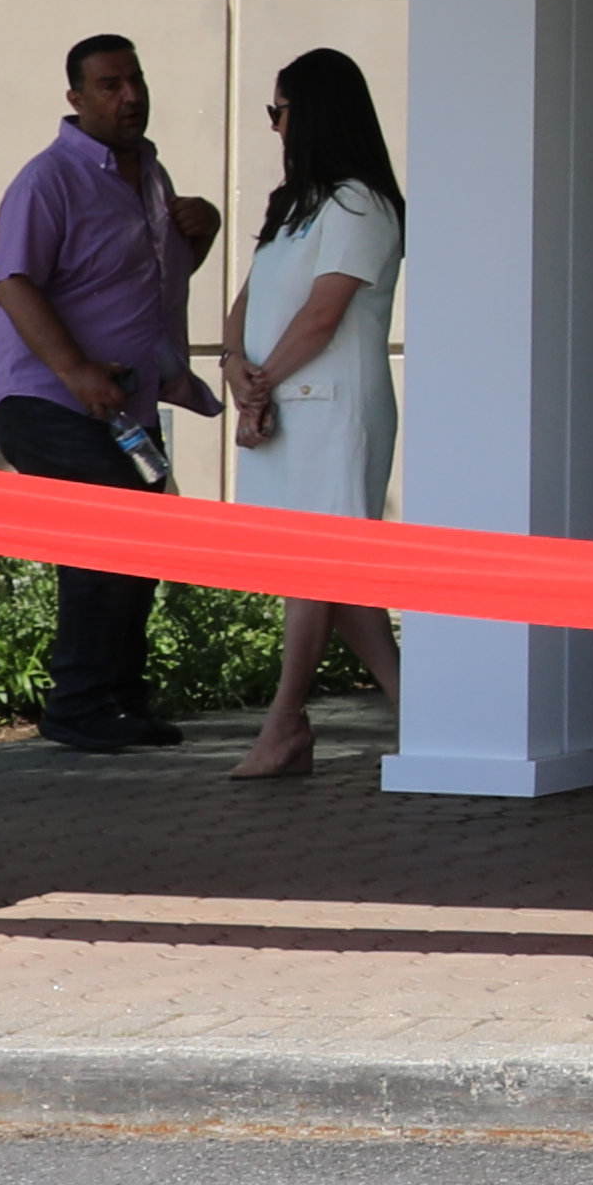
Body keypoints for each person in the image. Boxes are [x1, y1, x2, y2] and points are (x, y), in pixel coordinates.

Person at [0, 32, 221, 753]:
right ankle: (78, 704)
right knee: (104, 541)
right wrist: (75, 370)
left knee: (142, 542)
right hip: (47, 400)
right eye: (111, 85)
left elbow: (147, 282)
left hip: (123, 408)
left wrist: (200, 231)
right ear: (76, 99)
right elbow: (11, 281)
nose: (131, 97)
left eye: (136, 81)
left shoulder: (148, 172)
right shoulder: (47, 179)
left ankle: (119, 699)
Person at [217, 46, 408, 781]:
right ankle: (420, 713)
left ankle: (285, 722)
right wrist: (237, 368)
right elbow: (248, 303)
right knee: (340, 578)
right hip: (281, 407)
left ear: (314, 112)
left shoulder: (363, 204)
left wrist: (259, 384)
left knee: (317, 569)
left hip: (333, 412)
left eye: (280, 110)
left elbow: (323, 313)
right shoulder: (296, 206)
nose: (275, 126)